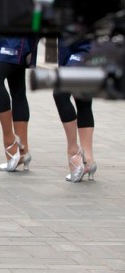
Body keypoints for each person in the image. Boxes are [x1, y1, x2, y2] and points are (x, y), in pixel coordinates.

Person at [0, 32, 38, 172]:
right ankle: (23, 151)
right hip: (6, 34)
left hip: (15, 36)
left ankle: (11, 144)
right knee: (18, 88)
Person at [53, 39, 97, 182]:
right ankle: (88, 160)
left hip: (85, 47)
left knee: (60, 93)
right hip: (67, 46)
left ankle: (73, 150)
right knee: (82, 98)